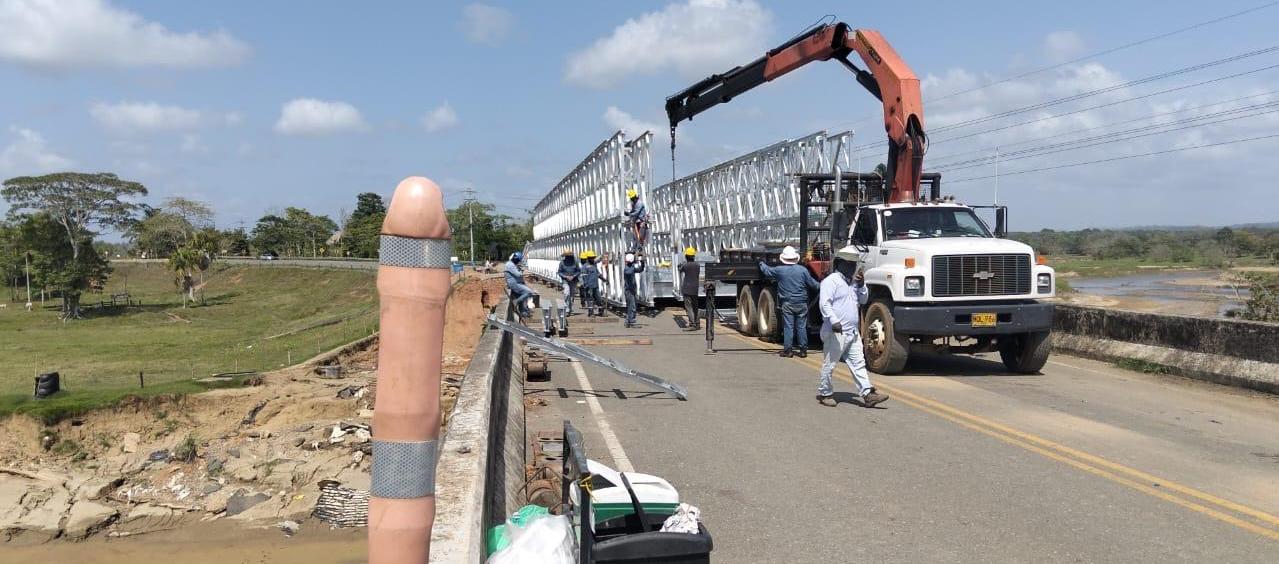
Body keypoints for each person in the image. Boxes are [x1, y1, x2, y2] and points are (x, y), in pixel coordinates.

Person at [816, 246, 889, 408]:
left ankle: (868, 394)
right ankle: (825, 392)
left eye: (854, 264)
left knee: (858, 363)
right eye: (849, 264)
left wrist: (862, 285)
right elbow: (825, 304)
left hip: (852, 332)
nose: (852, 267)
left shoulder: (853, 283)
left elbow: (863, 300)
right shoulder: (831, 281)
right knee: (830, 363)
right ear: (840, 263)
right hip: (836, 331)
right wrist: (834, 321)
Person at [758, 245, 820, 357]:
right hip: (801, 303)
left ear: (783, 258)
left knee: (788, 327)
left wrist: (761, 262)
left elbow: (766, 271)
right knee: (801, 327)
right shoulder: (803, 270)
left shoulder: (780, 270)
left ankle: (788, 350)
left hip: (787, 303)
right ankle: (803, 350)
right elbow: (813, 285)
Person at [505, 252, 536, 318]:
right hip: (514, 284)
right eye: (518, 260)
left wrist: (520, 268)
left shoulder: (512, 264)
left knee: (523, 297)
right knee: (529, 292)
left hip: (517, 283)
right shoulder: (510, 265)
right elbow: (518, 274)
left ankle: (523, 313)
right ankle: (516, 302)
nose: (519, 262)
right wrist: (521, 270)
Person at [679, 246, 702, 330]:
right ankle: (698, 323)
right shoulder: (697, 265)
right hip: (695, 289)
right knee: (695, 307)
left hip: (687, 289)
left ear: (686, 256)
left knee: (689, 307)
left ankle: (692, 325)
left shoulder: (686, 266)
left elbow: (680, 269)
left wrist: (680, 265)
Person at [580, 250, 608, 316]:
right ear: (588, 258)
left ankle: (601, 312)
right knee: (590, 300)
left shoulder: (594, 265)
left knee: (599, 299)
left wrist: (604, 279)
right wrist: (585, 285)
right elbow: (583, 277)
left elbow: (598, 274)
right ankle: (591, 313)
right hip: (589, 286)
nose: (592, 259)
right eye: (591, 257)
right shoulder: (584, 267)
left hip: (595, 286)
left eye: (593, 257)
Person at [623, 251, 645, 328]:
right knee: (632, 306)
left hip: (632, 290)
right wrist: (634, 262)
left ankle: (628, 321)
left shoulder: (631, 267)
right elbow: (630, 272)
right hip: (629, 291)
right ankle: (631, 321)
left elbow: (640, 270)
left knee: (631, 306)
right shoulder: (627, 269)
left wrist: (642, 264)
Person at [623, 187, 649, 252]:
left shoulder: (639, 203)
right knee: (635, 236)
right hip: (636, 222)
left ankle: (640, 249)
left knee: (640, 236)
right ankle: (635, 248)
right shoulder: (634, 203)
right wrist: (629, 213)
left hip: (641, 222)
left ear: (634, 197)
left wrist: (629, 214)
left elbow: (636, 213)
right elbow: (633, 211)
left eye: (632, 198)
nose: (631, 199)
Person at [557, 249, 580, 315]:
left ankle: (570, 308)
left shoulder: (575, 262)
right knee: (566, 293)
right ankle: (567, 309)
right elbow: (559, 272)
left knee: (572, 295)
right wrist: (565, 276)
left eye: (569, 256)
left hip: (573, 280)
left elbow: (578, 271)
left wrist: (573, 276)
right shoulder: (562, 263)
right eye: (567, 256)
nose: (568, 257)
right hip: (565, 281)